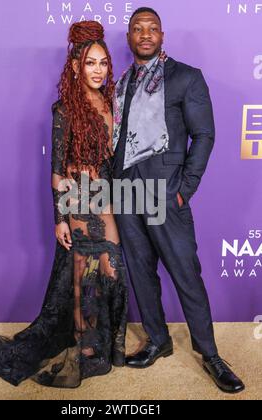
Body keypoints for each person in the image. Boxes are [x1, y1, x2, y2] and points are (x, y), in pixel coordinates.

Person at [0, 21, 128, 388]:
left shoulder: (111, 102)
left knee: (111, 269)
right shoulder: (64, 110)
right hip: (77, 198)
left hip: (104, 198)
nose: (98, 70)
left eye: (103, 63)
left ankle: (103, 342)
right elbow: (57, 171)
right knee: (83, 274)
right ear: (75, 65)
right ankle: (83, 348)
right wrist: (59, 218)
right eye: (90, 63)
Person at [112, 7, 245, 394]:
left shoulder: (186, 77)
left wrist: (184, 188)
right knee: (140, 270)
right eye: (138, 28)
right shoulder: (120, 83)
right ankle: (158, 339)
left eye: (152, 28)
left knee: (186, 275)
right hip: (125, 191)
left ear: (162, 35)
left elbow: (204, 135)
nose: (146, 34)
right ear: (130, 38)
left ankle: (212, 355)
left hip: (166, 192)